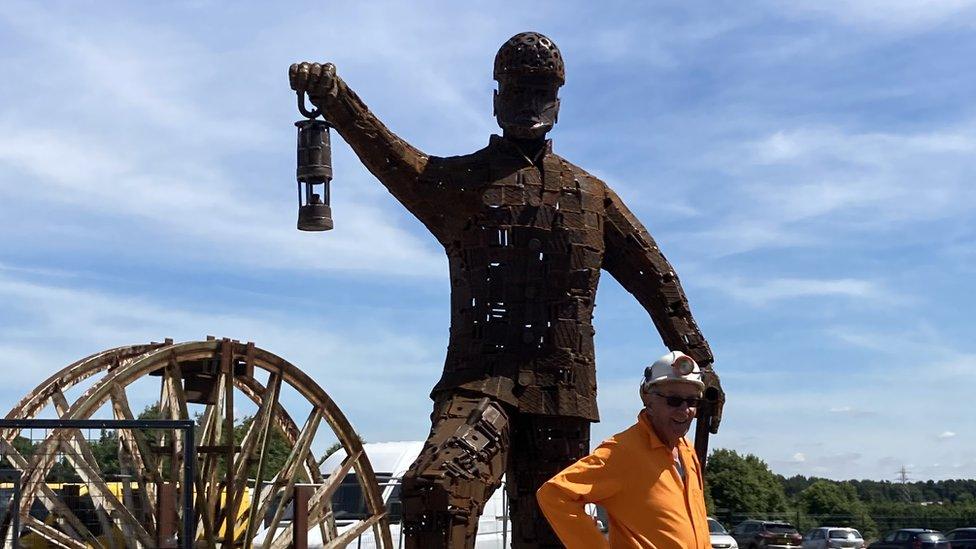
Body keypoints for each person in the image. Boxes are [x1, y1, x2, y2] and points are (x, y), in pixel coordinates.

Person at [289, 32, 723, 549]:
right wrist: (337, 101)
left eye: (539, 93)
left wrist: (700, 363)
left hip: (564, 391)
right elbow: (391, 155)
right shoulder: (461, 185)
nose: (528, 105)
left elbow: (658, 280)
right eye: (517, 92)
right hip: (480, 380)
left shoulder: (591, 196)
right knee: (436, 490)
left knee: (551, 530)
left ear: (558, 104)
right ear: (496, 100)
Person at [536, 351, 711, 549]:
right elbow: (554, 495)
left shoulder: (686, 450)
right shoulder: (623, 452)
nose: (684, 409)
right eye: (674, 400)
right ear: (648, 400)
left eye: (692, 401)